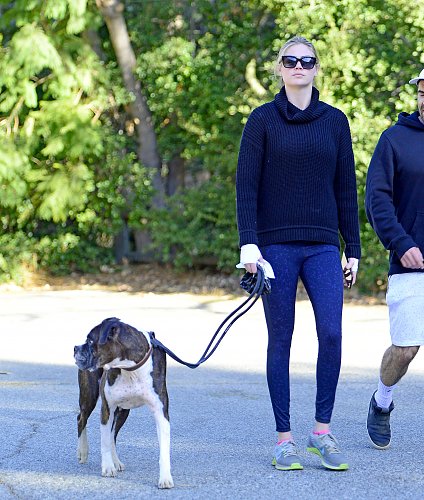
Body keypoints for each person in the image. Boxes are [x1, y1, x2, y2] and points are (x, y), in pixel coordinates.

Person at [235, 36, 361, 471]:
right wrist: (249, 245)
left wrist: (353, 248)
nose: (299, 67)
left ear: (316, 68)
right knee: (281, 338)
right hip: (275, 247)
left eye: (307, 61)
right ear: (279, 68)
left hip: (323, 244)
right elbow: (246, 187)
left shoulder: (336, 122)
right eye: (290, 61)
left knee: (332, 334)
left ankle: (321, 432)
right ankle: (283, 440)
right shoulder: (262, 120)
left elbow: (346, 189)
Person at [365, 68, 424, 450]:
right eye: (423, 91)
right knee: (405, 349)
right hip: (412, 262)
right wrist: (401, 243)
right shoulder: (395, 140)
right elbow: (377, 199)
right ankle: (382, 400)